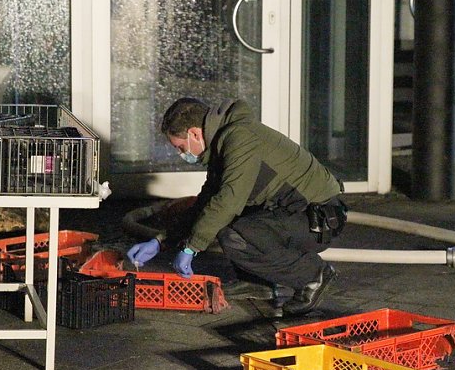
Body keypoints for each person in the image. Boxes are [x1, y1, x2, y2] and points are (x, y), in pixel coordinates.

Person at [127, 97, 347, 317]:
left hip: (318, 220)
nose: (181, 154)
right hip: (294, 213)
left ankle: (313, 275)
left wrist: (191, 248)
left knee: (234, 234)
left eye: (181, 147)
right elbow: (206, 204)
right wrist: (162, 240)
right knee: (221, 218)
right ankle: (256, 282)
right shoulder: (223, 143)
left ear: (194, 133)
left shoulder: (240, 139)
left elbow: (228, 200)